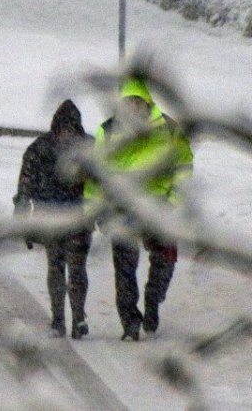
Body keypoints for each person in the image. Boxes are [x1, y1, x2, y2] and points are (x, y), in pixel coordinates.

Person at [85, 77, 194, 341]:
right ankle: (130, 323)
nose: (133, 107)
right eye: (128, 102)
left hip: (158, 205)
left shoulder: (168, 129)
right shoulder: (108, 131)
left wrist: (174, 200)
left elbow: (183, 166)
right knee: (124, 267)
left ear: (147, 103)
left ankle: (153, 300)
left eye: (137, 102)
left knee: (165, 260)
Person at [14, 99, 92, 339]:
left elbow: (26, 184)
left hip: (66, 217)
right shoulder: (88, 148)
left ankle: (71, 318)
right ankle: (66, 318)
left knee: (67, 269)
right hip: (67, 217)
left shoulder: (40, 148)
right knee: (63, 269)